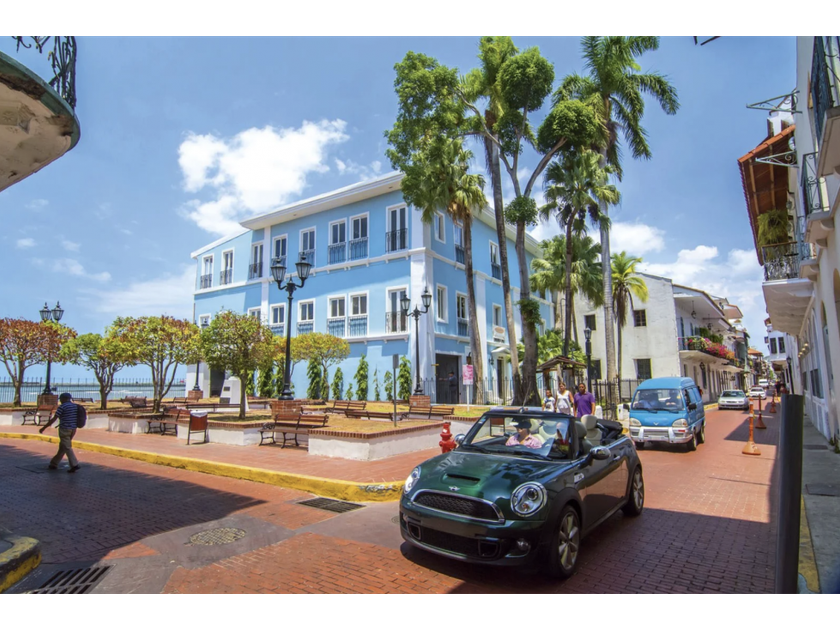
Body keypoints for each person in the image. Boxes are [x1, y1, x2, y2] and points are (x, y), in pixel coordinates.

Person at [39, 392, 81, 473]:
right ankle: (54, 463)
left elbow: (54, 418)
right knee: (63, 447)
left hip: (64, 429)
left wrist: (44, 428)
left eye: (61, 399)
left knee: (67, 447)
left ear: (64, 399)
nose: (60, 401)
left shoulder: (62, 407)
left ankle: (74, 464)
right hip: (73, 429)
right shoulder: (75, 406)